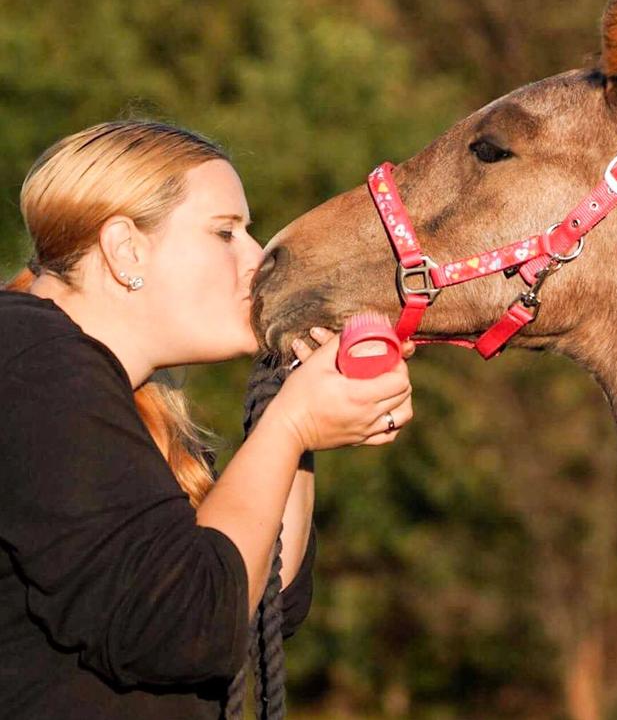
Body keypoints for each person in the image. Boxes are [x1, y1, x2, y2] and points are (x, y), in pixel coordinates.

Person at [0, 120, 414, 719]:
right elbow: (188, 623)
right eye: (226, 233)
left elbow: (257, 599)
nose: (257, 257)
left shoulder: (95, 386)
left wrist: (297, 398)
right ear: (126, 250)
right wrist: (290, 425)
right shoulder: (30, 357)